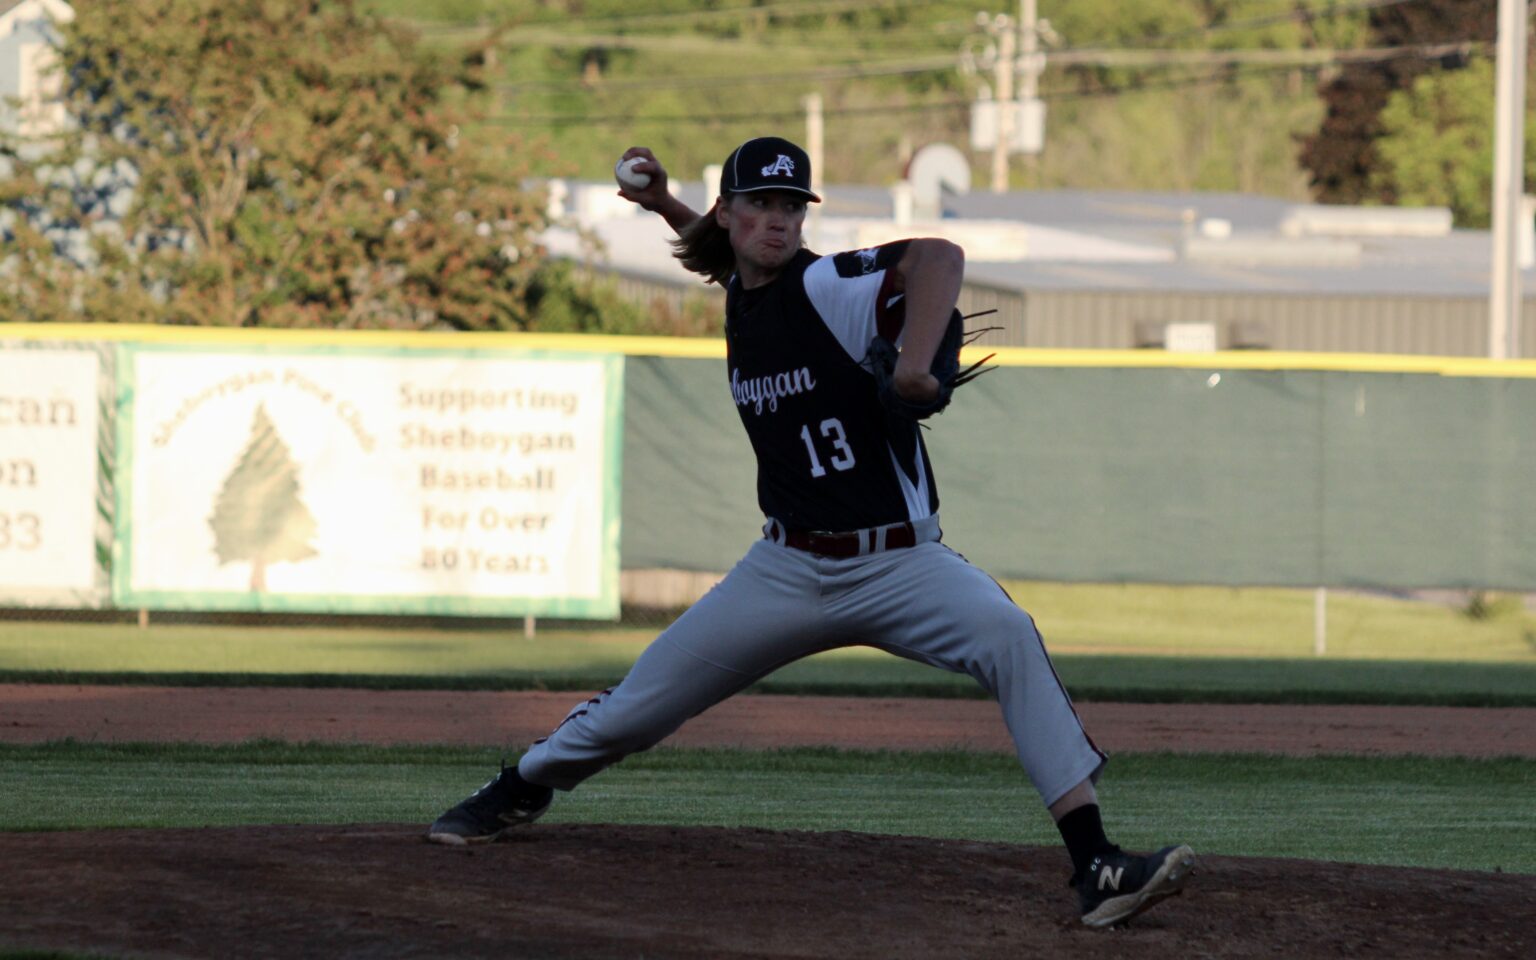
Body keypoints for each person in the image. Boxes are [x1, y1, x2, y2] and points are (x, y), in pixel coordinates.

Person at [427, 136, 1194, 928]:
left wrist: (913, 364)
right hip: (786, 568)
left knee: (1006, 635)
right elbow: (721, 258)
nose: (778, 220)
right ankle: (521, 785)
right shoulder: (743, 287)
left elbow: (937, 255)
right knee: (638, 709)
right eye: (759, 203)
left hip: (900, 563)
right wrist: (660, 205)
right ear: (727, 214)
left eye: (791, 206)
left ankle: (1096, 862)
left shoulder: (828, 284)